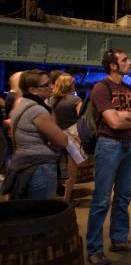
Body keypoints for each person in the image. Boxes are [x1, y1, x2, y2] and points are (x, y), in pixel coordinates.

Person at [86, 49, 131, 265]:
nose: (130, 62)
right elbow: (113, 123)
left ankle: (119, 240)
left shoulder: (129, 88)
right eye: (125, 60)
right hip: (109, 145)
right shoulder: (101, 89)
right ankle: (94, 248)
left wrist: (126, 115)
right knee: (102, 199)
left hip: (128, 145)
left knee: (123, 197)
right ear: (113, 66)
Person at [5, 70, 68, 199]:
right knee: (41, 213)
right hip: (39, 167)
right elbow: (62, 141)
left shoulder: (21, 104)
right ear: (33, 90)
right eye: (46, 85)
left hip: (23, 164)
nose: (51, 87)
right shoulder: (37, 110)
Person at [49, 73, 83, 203]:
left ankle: (50, 198)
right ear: (69, 85)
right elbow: (82, 119)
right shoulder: (75, 100)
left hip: (54, 137)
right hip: (71, 140)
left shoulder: (49, 100)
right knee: (71, 172)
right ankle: (67, 199)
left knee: (54, 168)